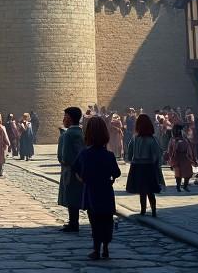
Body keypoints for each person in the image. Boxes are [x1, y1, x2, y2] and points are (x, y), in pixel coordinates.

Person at [73, 116, 120, 261]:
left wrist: (82, 179)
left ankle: (96, 249)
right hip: (106, 190)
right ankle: (106, 247)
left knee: (95, 221)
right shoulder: (109, 155)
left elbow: (76, 169)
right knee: (107, 220)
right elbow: (116, 173)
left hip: (91, 191)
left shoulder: (84, 154)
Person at [125, 113, 163, 216]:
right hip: (149, 166)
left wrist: (131, 159)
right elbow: (157, 154)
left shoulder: (135, 138)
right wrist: (157, 166)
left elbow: (130, 153)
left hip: (137, 166)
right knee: (150, 190)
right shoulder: (152, 139)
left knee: (142, 190)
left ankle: (143, 211)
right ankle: (154, 210)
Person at [57, 106, 85, 232]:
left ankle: (73, 222)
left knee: (70, 196)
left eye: (65, 117)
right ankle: (74, 222)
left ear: (69, 118)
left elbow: (65, 156)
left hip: (70, 170)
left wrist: (64, 162)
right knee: (77, 195)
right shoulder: (82, 132)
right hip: (81, 168)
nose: (63, 120)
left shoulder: (68, 134)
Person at [166, 122, 195, 192]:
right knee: (178, 173)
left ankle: (185, 186)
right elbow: (170, 150)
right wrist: (170, 158)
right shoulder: (173, 139)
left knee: (188, 173)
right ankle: (178, 187)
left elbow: (190, 147)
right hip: (177, 157)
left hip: (185, 157)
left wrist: (192, 157)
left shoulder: (185, 139)